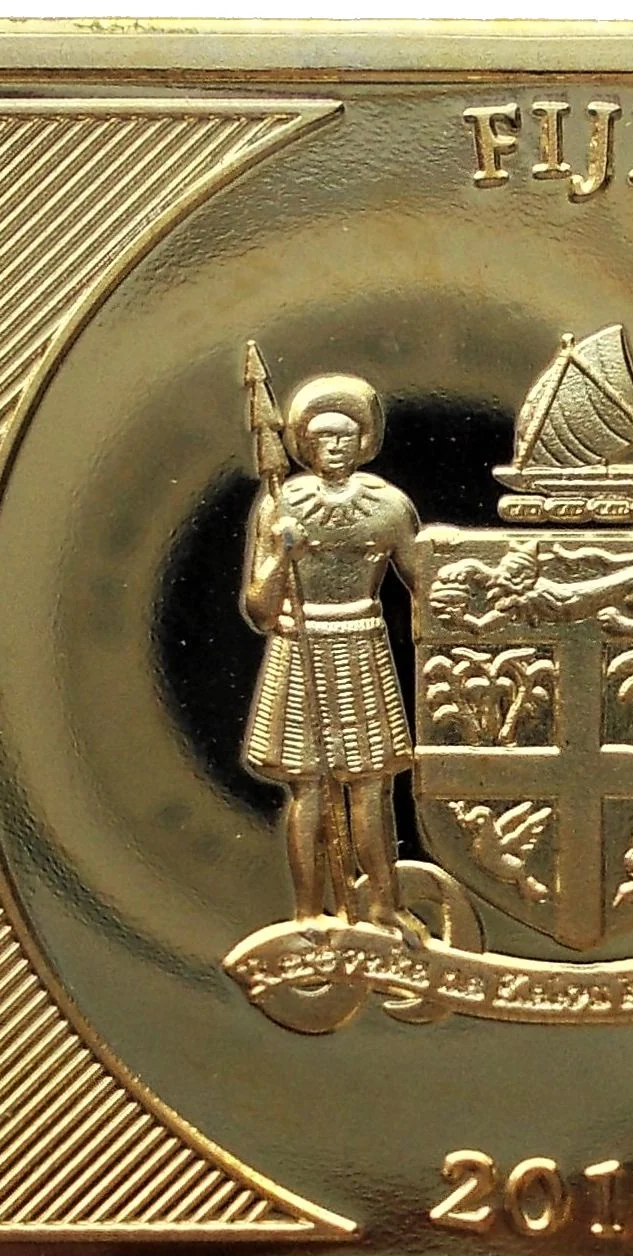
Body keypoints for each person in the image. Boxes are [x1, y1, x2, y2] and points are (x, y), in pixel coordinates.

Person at [241, 374, 420, 926]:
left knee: (371, 786)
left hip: (361, 647)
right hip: (300, 648)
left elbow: (426, 584)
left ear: (363, 441)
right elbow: (259, 608)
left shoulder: (389, 507)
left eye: (344, 436)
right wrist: (281, 556)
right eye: (322, 437)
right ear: (305, 444)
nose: (334, 446)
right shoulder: (281, 507)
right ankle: (307, 914)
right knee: (310, 789)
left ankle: (384, 906)